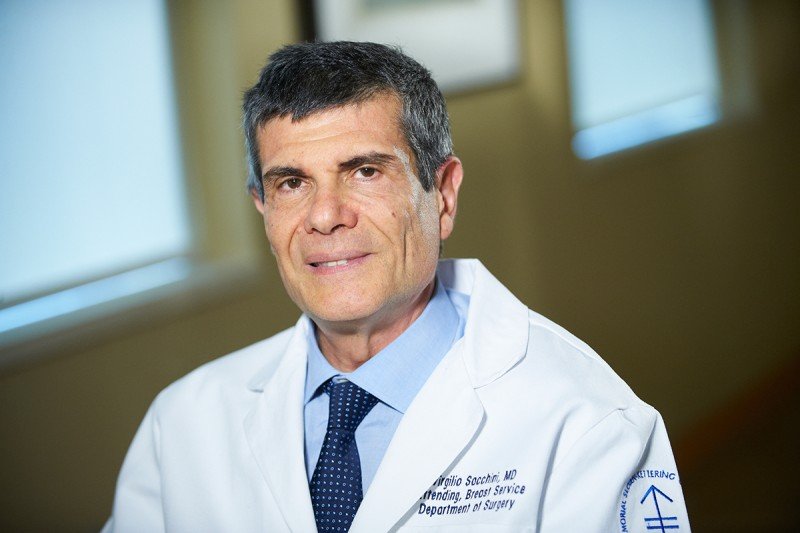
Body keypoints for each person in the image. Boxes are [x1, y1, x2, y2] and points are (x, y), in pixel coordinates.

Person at [104, 41, 690, 532]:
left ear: (443, 196)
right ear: (263, 208)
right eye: (291, 183)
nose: (325, 216)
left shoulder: (586, 420)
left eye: (365, 172)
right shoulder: (184, 424)